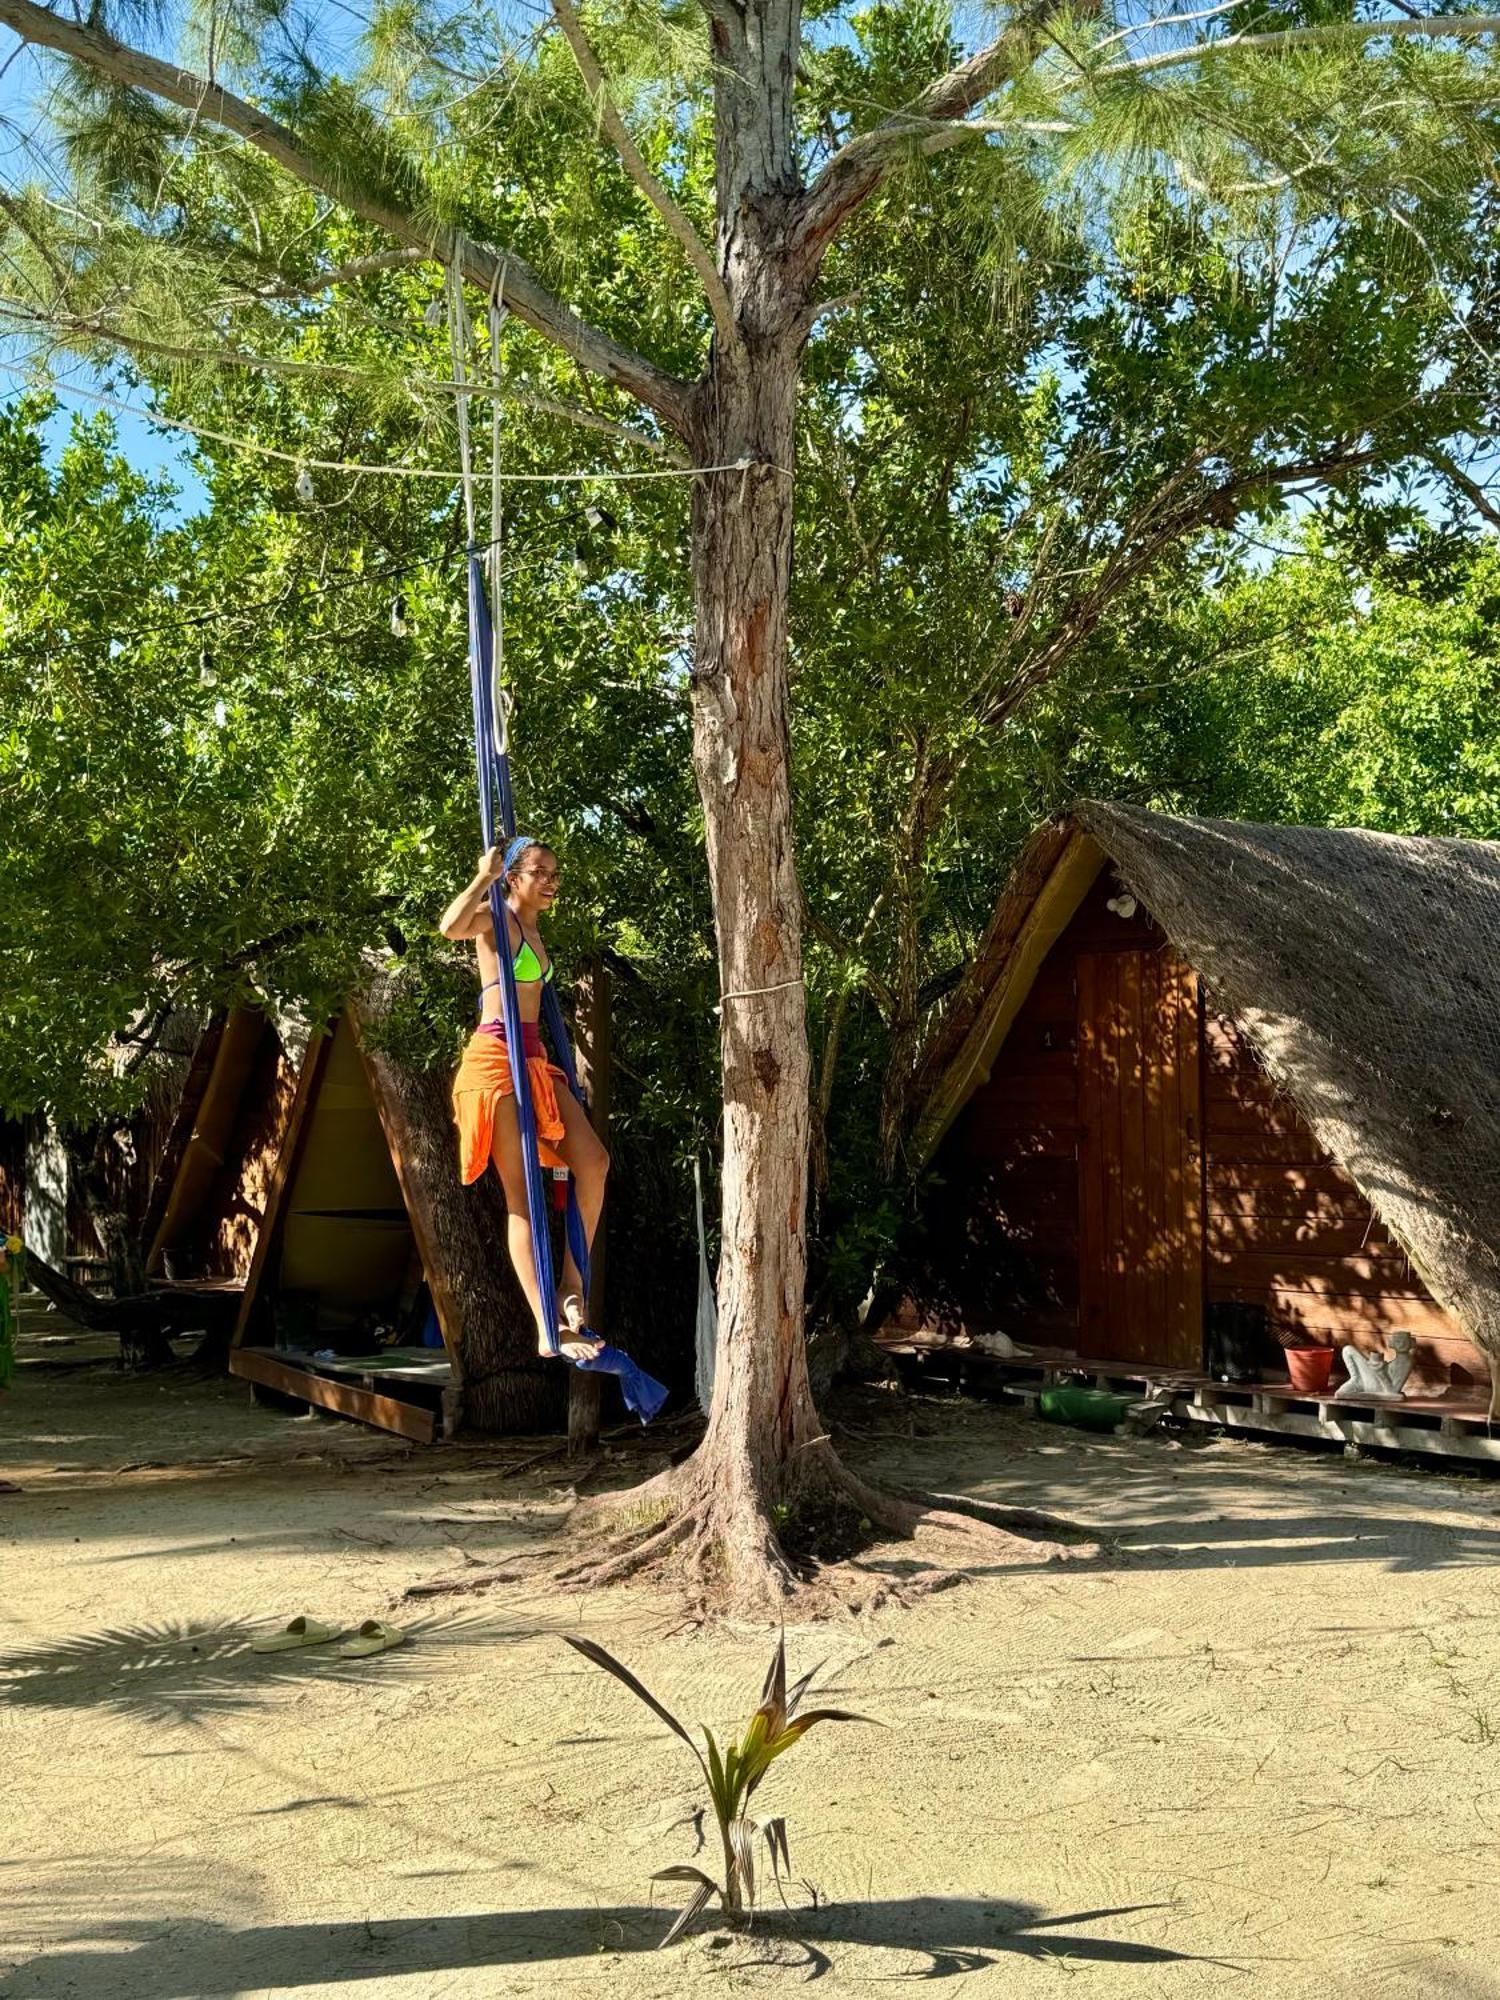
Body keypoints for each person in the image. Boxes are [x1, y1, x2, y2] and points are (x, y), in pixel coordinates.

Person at [441, 837, 607, 1363]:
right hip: (495, 1060)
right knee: (523, 1195)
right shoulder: (497, 919)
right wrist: (482, 877)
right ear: (514, 878)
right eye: (541, 872)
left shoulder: (533, 929)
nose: (552, 882)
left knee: (595, 1162)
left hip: (534, 1061)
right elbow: (449, 926)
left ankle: (570, 1286)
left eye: (555, 873)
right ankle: (546, 1327)